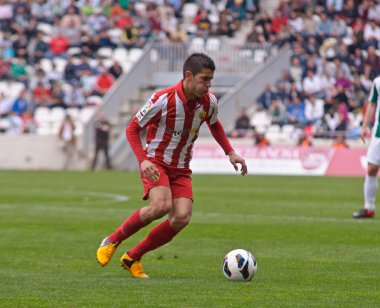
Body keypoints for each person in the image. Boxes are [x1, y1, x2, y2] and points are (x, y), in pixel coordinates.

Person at [96, 53, 247, 278]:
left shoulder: (209, 102)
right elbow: (132, 129)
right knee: (161, 206)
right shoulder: (163, 99)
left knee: (181, 217)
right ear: (188, 76)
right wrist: (143, 160)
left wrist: (230, 152)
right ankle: (112, 240)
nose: (209, 85)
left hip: (182, 167)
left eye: (210, 80)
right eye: (204, 79)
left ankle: (133, 256)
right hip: (156, 162)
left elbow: (214, 125)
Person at [352, 76, 380, 219]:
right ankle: (369, 208)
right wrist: (364, 126)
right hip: (379, 132)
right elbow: (372, 104)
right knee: (371, 168)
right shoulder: (377, 82)